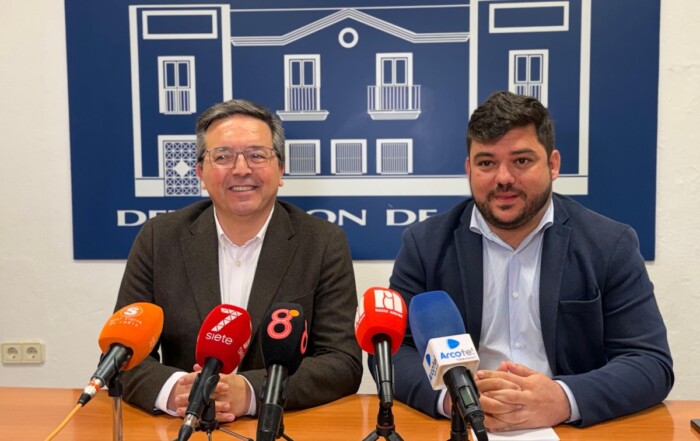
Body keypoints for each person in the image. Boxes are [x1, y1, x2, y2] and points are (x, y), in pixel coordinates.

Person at [389, 91, 673, 430]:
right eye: (486, 163)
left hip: (567, 429)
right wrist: (453, 399)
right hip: (461, 428)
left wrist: (563, 399)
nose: (503, 178)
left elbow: (649, 361)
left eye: (521, 161)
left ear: (553, 165)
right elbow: (392, 351)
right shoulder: (424, 245)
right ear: (469, 169)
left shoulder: (609, 244)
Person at [114, 99, 362, 421]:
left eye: (257, 155)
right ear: (201, 172)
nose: (241, 169)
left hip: (281, 425)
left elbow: (342, 362)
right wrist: (176, 391)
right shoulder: (159, 238)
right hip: (183, 426)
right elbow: (122, 352)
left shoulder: (322, 242)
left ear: (280, 170)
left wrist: (250, 392)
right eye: (223, 156)